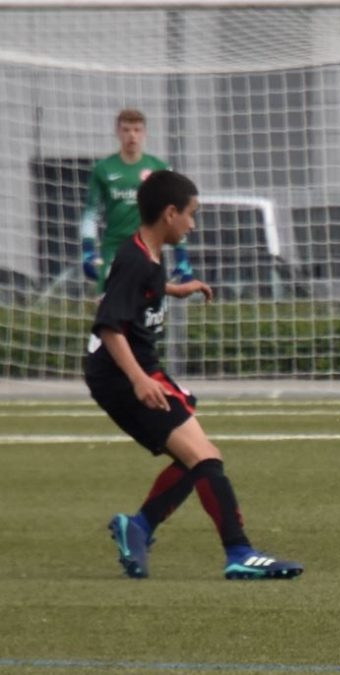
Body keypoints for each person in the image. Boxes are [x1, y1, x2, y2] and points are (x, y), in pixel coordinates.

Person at [84, 169, 303, 581]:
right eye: (191, 213)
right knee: (204, 458)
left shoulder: (147, 252)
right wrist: (139, 380)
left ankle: (139, 527)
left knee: (198, 457)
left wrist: (175, 290)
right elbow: (109, 326)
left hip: (136, 368)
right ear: (170, 213)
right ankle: (239, 553)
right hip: (121, 374)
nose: (193, 224)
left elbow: (138, 288)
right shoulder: (135, 259)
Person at [80, 109, 194, 293]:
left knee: (151, 307)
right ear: (117, 132)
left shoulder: (160, 169)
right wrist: (87, 251)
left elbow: (175, 215)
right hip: (114, 250)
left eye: (137, 130)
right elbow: (91, 214)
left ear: (144, 133)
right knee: (111, 307)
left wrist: (182, 256)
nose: (132, 136)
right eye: (126, 130)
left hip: (149, 251)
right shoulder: (103, 169)